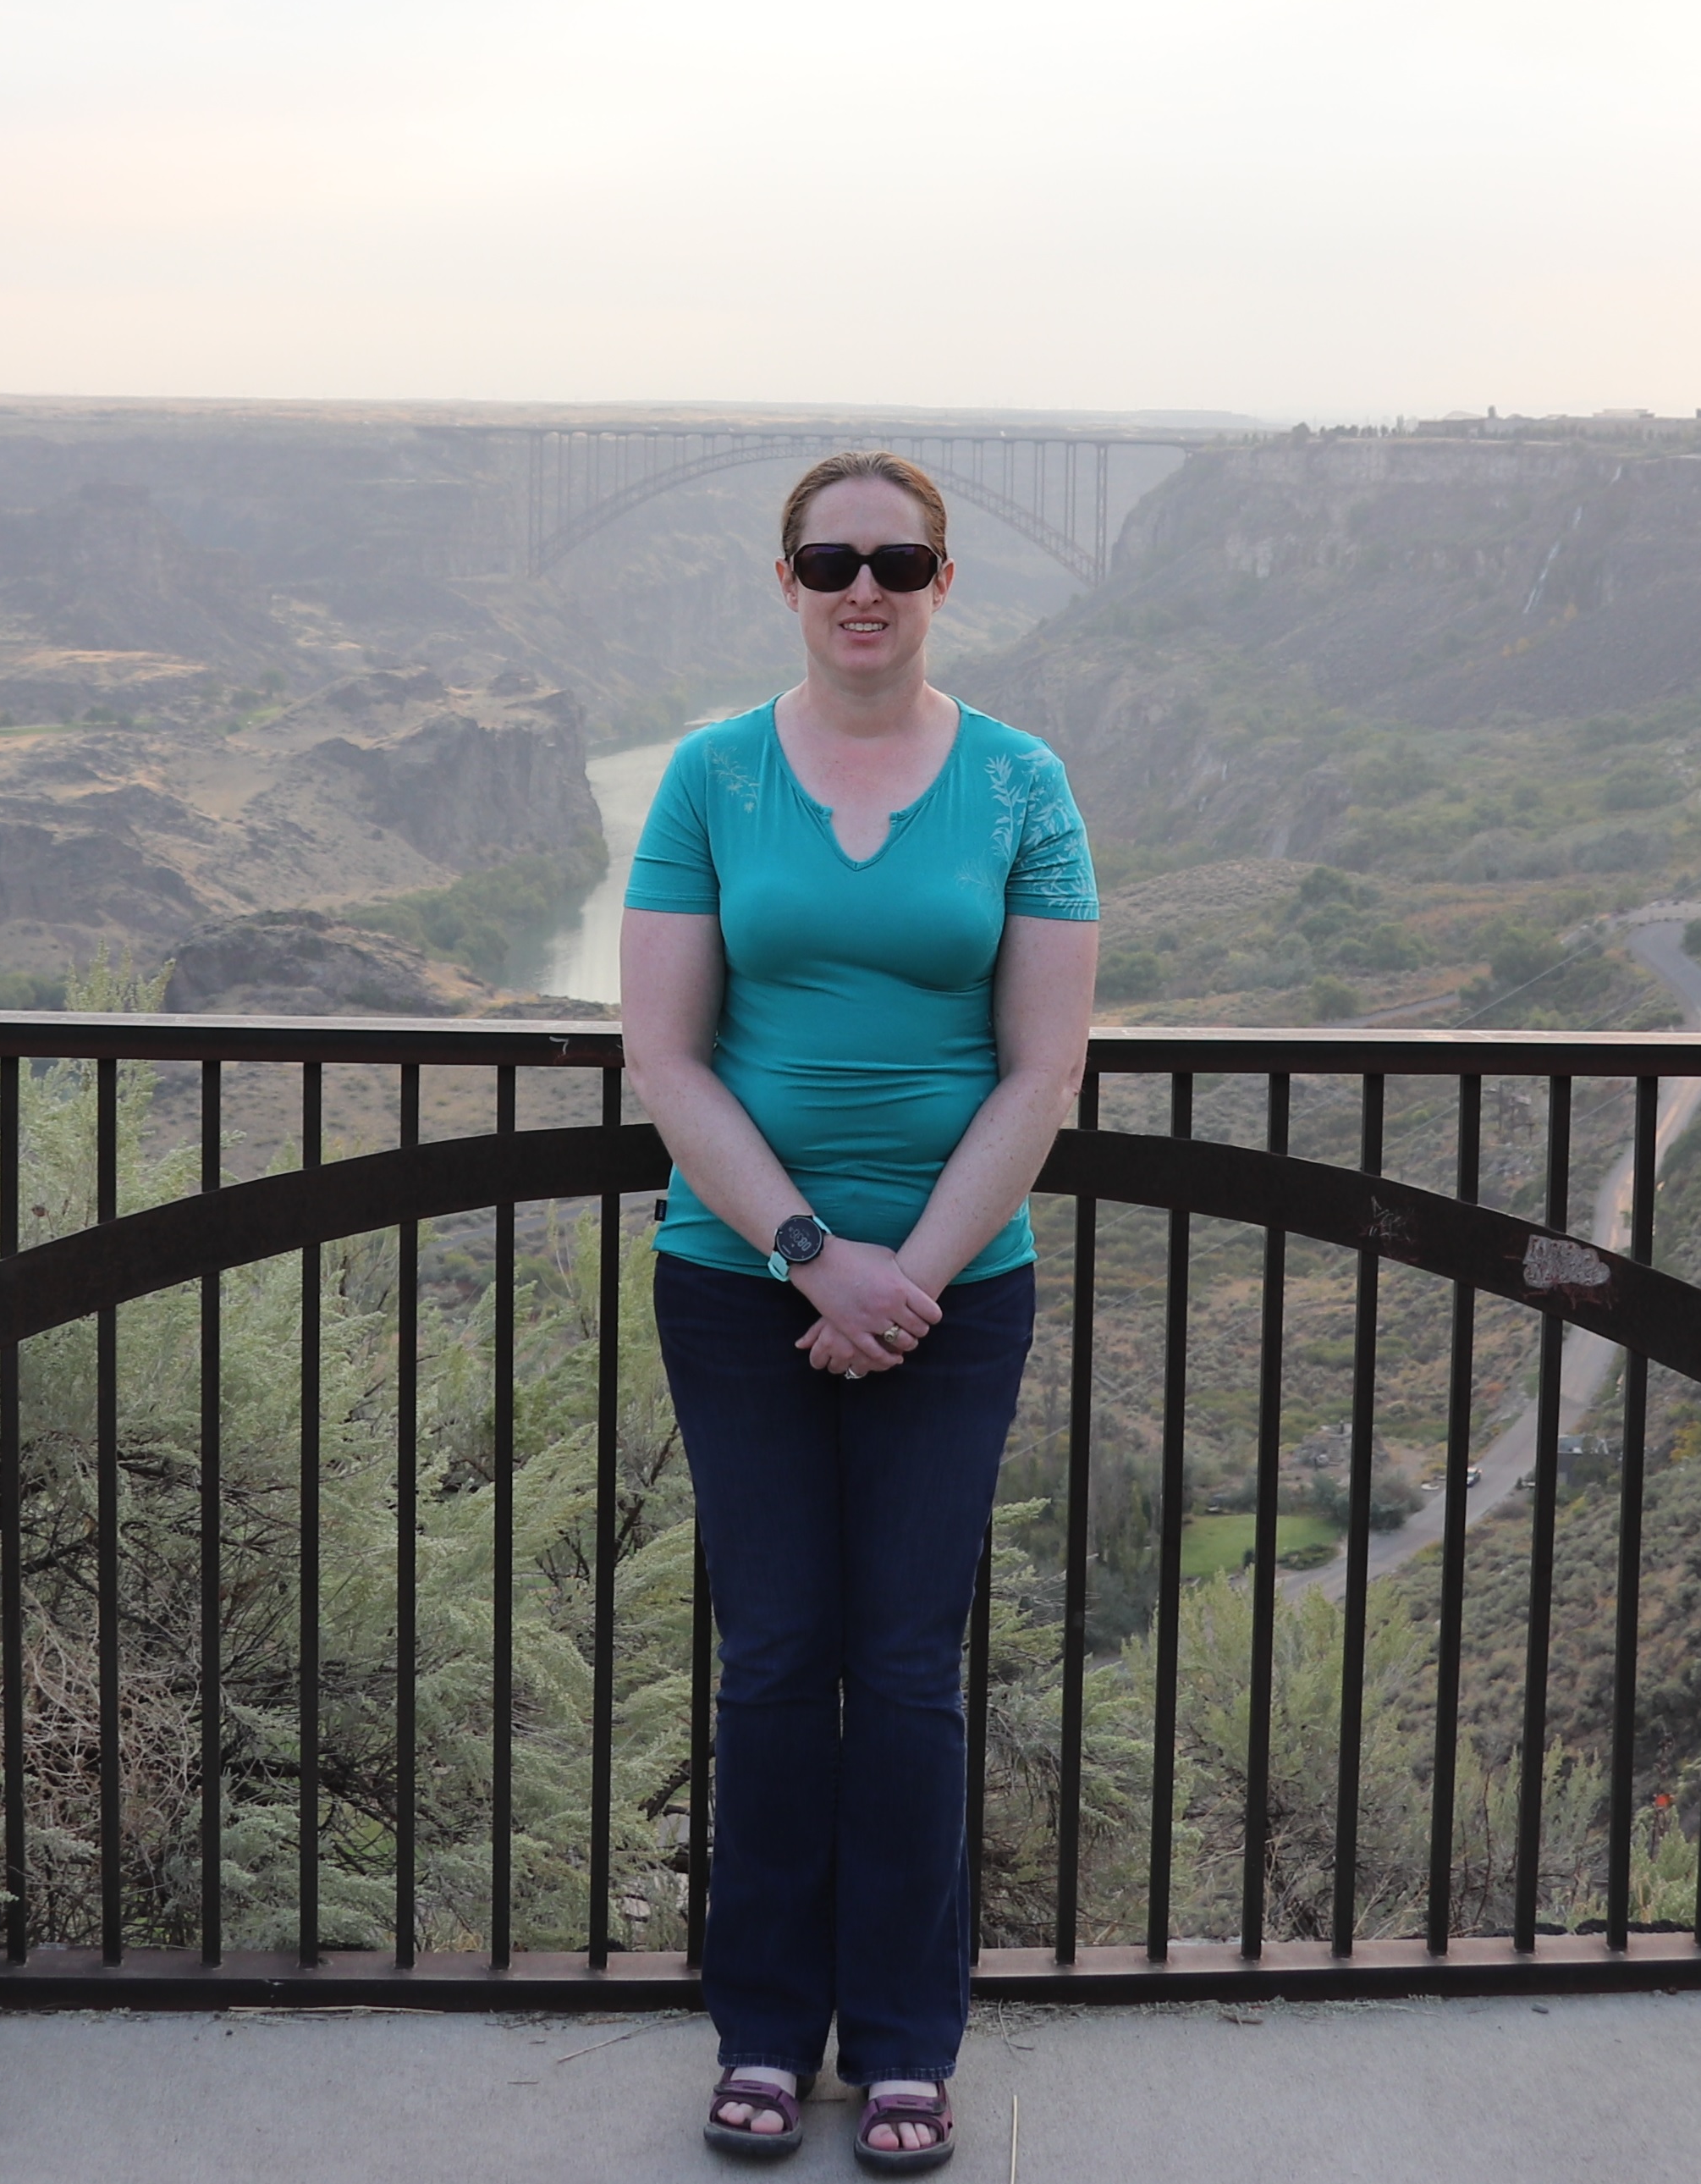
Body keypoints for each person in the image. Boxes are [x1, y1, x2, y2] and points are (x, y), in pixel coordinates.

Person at [623, 451, 1101, 2175]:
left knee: (904, 1669)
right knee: (772, 1659)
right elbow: (665, 1052)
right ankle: (761, 2028)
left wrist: (907, 1280)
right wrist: (814, 1252)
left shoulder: (1020, 780)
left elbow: (1042, 1069)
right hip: (738, 1278)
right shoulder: (710, 773)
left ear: (941, 579)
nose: (863, 588)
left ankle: (905, 2042)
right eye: (830, 561)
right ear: (787, 580)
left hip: (954, 1296)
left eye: (896, 560)